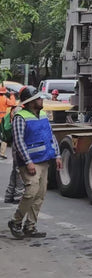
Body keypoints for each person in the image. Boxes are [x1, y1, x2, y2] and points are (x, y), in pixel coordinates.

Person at [8, 86, 62, 239]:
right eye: (38, 98)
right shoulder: (20, 117)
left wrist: (57, 155)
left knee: (40, 194)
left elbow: (51, 136)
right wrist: (28, 162)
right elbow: (18, 142)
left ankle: (30, 226)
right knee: (31, 192)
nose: (41, 100)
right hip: (30, 163)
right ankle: (16, 221)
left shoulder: (43, 115)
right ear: (31, 102)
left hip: (44, 160)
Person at [3, 106, 24, 204]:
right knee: (19, 170)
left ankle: (9, 194)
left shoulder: (16, 108)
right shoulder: (19, 109)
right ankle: (18, 196)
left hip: (15, 144)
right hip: (18, 144)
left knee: (15, 170)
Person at [0, 86, 17, 159]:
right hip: (2, 120)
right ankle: (2, 153)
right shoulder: (4, 99)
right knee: (4, 137)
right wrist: (12, 95)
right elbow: (13, 103)